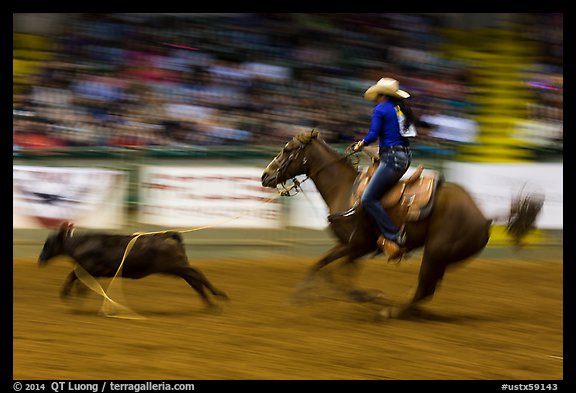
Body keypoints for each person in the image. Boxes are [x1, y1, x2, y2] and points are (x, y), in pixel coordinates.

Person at [353, 77, 417, 259]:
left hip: (392, 159)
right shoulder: (400, 110)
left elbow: (373, 135)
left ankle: (393, 235)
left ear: (382, 95)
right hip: (404, 157)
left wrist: (361, 144)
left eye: (376, 96)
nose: (374, 99)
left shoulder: (380, 109)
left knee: (368, 198)